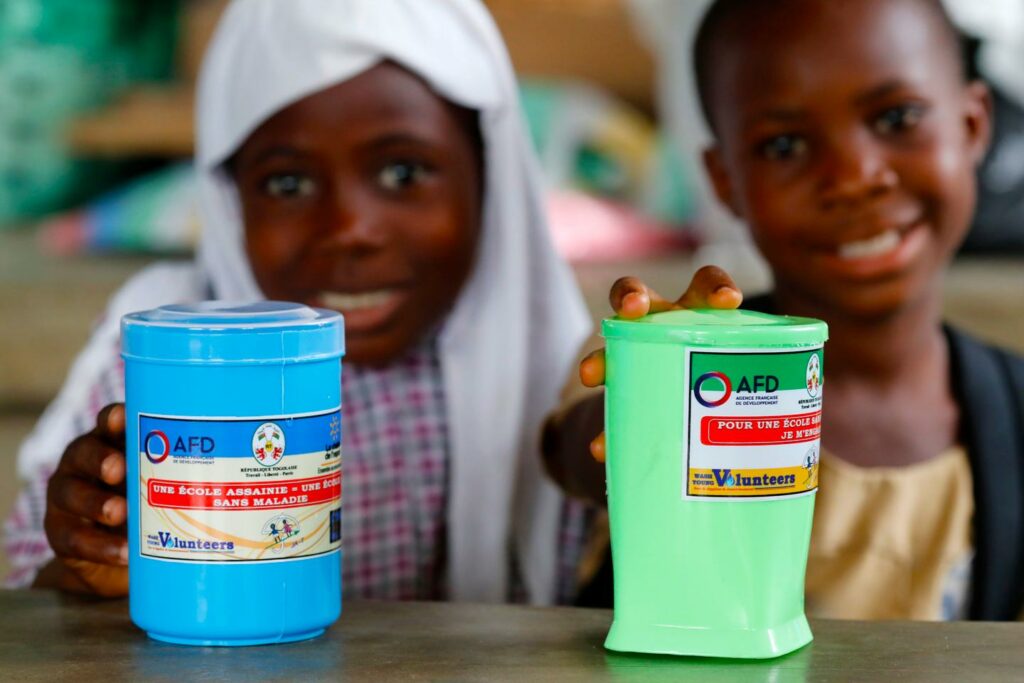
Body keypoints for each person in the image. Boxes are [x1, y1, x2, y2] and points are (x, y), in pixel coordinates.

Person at [4, 0, 597, 606]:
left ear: (490, 180)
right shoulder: (171, 346)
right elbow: (32, 586)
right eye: (288, 184)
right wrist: (85, 558)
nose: (348, 228)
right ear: (231, 201)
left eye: (403, 174)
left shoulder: (548, 361)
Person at [543, 0, 1024, 620]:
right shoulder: (705, 386)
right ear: (725, 181)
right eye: (785, 144)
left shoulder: (1014, 411)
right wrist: (649, 396)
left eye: (897, 117)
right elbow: (573, 456)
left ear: (973, 126)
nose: (853, 177)